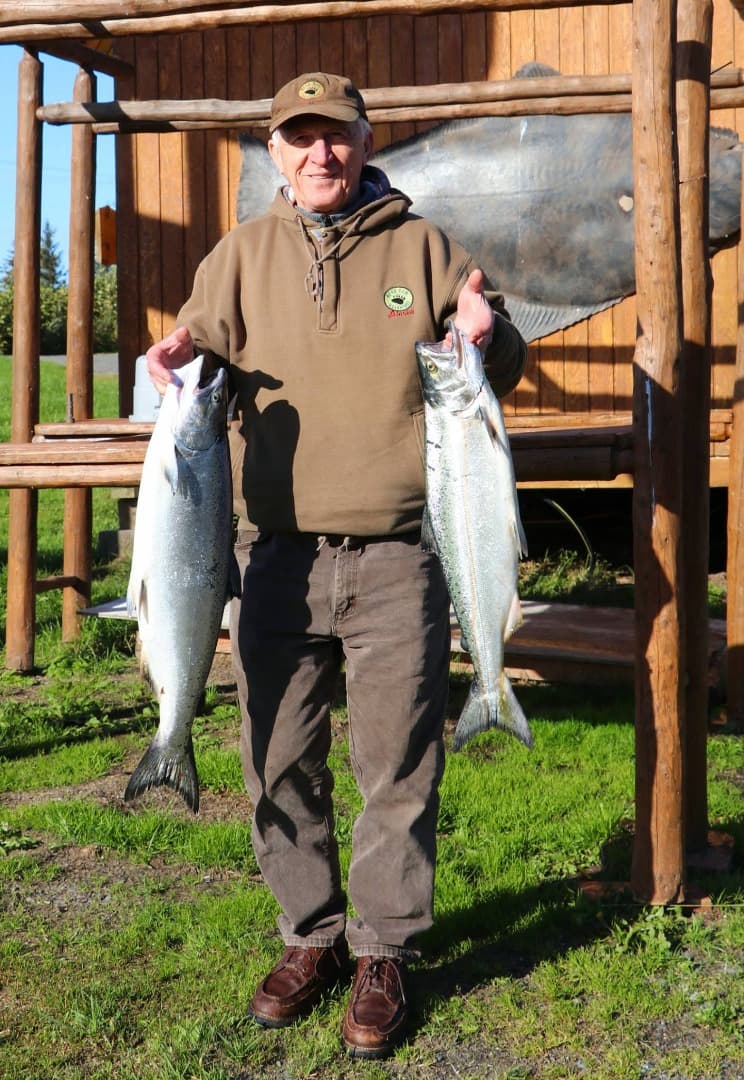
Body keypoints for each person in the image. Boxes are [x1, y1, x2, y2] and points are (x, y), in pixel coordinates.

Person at [146, 71, 526, 1060]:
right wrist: (175, 355)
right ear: (276, 150)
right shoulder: (240, 256)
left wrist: (490, 331)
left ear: (365, 141)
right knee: (277, 758)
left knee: (397, 761)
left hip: (404, 553)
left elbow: (496, 363)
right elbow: (195, 363)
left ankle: (385, 953)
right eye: (301, 138)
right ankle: (310, 935)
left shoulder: (426, 245)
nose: (321, 155)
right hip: (273, 556)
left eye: (338, 137)